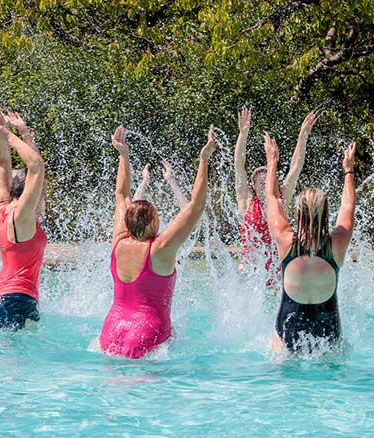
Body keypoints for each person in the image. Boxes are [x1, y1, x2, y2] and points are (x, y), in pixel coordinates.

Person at [99, 126, 215, 358]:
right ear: (152, 222)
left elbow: (121, 195)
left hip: (111, 329)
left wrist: (123, 155)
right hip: (147, 330)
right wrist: (203, 160)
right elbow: (196, 206)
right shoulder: (160, 249)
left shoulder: (118, 241)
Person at [264, 132, 356, 354]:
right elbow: (347, 207)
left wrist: (272, 161)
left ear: (298, 212)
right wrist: (348, 170)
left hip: (288, 329)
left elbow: (273, 198)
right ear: (326, 212)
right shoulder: (337, 243)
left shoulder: (286, 240)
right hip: (329, 331)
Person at [0, 107, 47, 330]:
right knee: (16, 364)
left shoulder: (2, 205)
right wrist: (7, 135)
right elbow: (37, 166)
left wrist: (18, 132)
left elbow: (2, 164)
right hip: (16, 300)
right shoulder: (22, 215)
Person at [234, 108, 317, 271]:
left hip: (276, 271)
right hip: (250, 272)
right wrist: (243, 135)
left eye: (268, 181)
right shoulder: (246, 202)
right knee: (242, 269)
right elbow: (238, 166)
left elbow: (296, 168)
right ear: (253, 187)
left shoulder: (281, 201)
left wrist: (302, 136)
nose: (265, 185)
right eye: (261, 182)